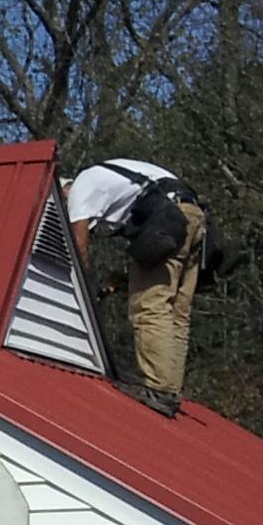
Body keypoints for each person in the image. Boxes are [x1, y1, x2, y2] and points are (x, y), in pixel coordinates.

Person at [66, 156, 207, 413]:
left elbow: (79, 245)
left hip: (167, 217)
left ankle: (159, 389)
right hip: (192, 215)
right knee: (175, 309)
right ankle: (170, 389)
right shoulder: (115, 183)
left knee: (150, 305)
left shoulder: (78, 190)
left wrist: (84, 288)